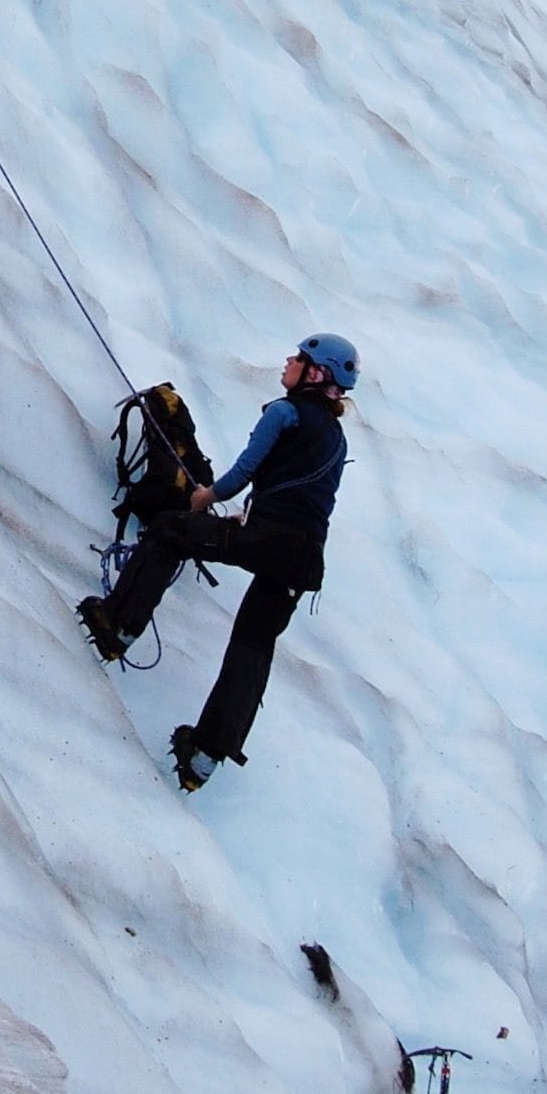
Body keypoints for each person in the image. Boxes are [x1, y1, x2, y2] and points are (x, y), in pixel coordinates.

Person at [77, 334, 360, 789]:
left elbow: (245, 470)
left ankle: (118, 626)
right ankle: (204, 757)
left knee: (171, 530)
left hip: (267, 538)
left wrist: (206, 496)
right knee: (253, 644)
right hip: (303, 560)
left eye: (299, 358)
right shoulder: (336, 437)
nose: (288, 361)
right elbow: (304, 501)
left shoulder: (284, 412)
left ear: (316, 373)